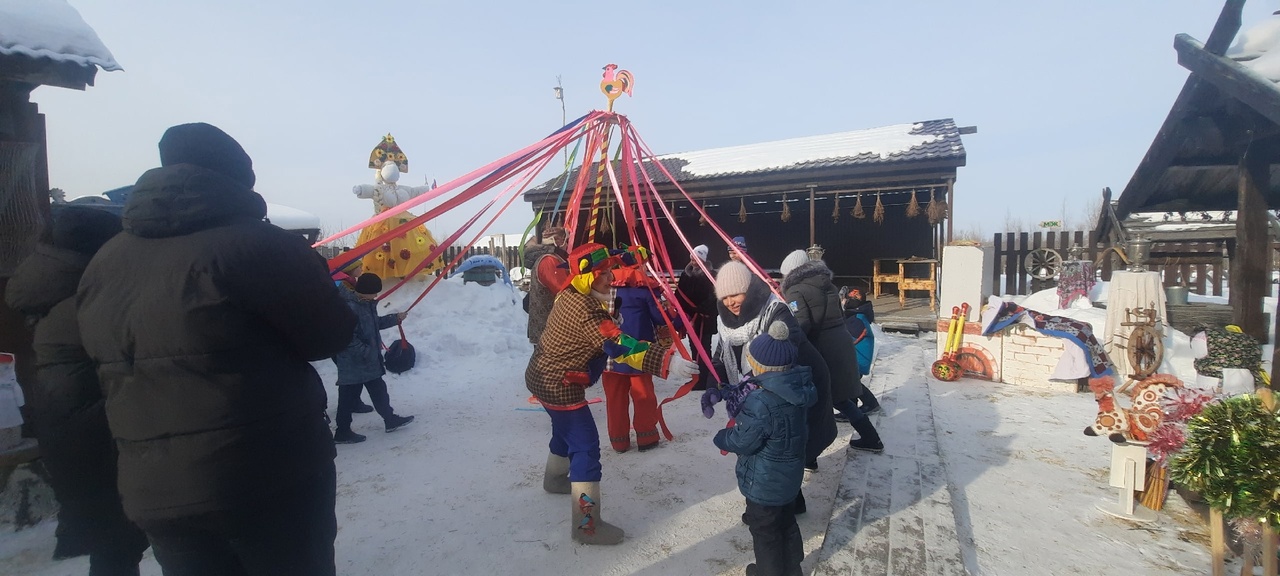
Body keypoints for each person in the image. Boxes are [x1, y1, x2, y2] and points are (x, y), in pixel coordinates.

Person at [77, 122, 357, 576]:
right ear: (238, 177)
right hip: (265, 474)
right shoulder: (260, 246)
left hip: (155, 485)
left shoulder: (106, 260)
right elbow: (330, 336)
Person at [5, 206, 150, 575]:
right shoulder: (89, 304)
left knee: (113, 551)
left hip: (75, 449)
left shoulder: (53, 294)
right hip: (110, 448)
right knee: (124, 547)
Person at [525, 242, 699, 545]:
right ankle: (586, 526)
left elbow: (603, 263)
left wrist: (631, 256)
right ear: (585, 277)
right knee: (586, 446)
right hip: (560, 386)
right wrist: (668, 361)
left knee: (562, 430)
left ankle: (554, 479)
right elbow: (621, 345)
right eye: (602, 274)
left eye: (610, 272)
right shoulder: (587, 314)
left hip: (542, 379)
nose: (610, 278)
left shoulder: (570, 292)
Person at [711, 260, 835, 509]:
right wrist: (714, 383)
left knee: (783, 447)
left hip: (793, 383)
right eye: (724, 297)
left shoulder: (775, 310)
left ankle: (778, 510)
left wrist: (750, 388)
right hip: (760, 392)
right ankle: (782, 503)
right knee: (767, 449)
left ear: (748, 288)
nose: (730, 302)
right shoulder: (724, 321)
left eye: (735, 293)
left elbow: (787, 353)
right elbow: (721, 354)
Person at [714, 320, 815, 576]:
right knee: (786, 524)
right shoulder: (797, 389)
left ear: (760, 366)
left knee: (765, 533)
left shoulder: (761, 401)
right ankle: (792, 569)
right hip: (789, 480)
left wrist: (722, 437)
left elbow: (743, 441)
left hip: (764, 483)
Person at [780, 251, 883, 453]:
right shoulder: (828, 285)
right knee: (840, 396)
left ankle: (810, 454)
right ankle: (871, 438)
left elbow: (801, 324)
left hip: (820, 349)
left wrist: (787, 345)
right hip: (840, 343)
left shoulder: (796, 291)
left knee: (817, 400)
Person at [331, 273, 415, 444]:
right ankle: (342, 432)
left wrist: (395, 318)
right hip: (353, 363)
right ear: (365, 291)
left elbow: (373, 323)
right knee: (347, 399)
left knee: (379, 391)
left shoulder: (365, 304)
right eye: (374, 292)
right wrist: (367, 352)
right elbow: (348, 338)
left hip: (368, 363)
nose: (376, 296)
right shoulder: (349, 308)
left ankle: (390, 419)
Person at [602, 266, 669, 452]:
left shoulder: (602, 290)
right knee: (644, 397)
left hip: (610, 354)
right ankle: (646, 438)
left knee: (615, 399)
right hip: (640, 354)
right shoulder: (643, 291)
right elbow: (659, 318)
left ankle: (619, 441)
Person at [673, 244, 717, 391]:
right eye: (692, 258)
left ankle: (707, 379)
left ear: (703, 260)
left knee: (704, 348)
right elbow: (679, 294)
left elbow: (714, 297)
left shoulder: (711, 275)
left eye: (696, 258)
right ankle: (697, 378)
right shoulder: (686, 275)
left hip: (704, 318)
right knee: (694, 348)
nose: (693, 261)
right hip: (690, 318)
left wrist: (701, 309)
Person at [524, 226, 570, 344]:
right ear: (558, 241)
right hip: (551, 332)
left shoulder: (555, 258)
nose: (568, 244)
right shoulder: (550, 261)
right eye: (567, 240)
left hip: (551, 329)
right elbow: (564, 291)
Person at [839, 285, 881, 414]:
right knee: (850, 384)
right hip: (855, 357)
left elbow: (849, 339)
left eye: (844, 299)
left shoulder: (856, 319)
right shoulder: (856, 315)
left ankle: (869, 404)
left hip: (857, 358)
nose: (841, 302)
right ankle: (853, 408)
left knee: (851, 384)